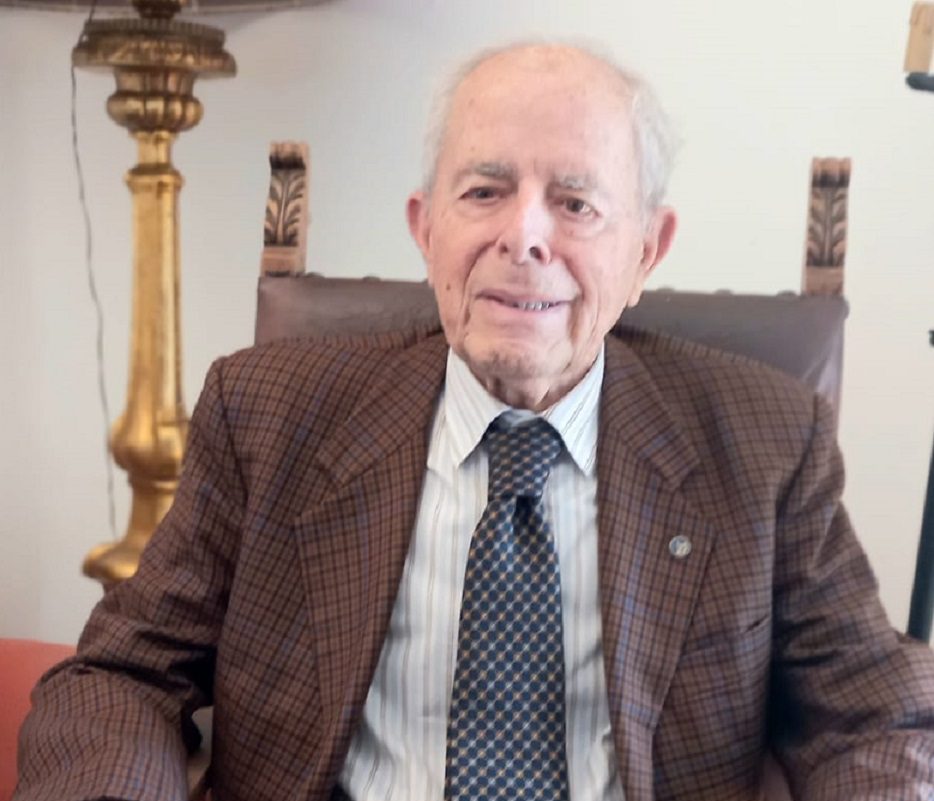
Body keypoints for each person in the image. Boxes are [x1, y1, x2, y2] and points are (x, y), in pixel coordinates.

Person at [15, 42, 934, 801]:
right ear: (426, 230)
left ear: (646, 251)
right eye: (485, 191)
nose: (523, 236)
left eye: (575, 202)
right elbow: (121, 676)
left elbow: (876, 718)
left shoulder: (767, 442)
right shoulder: (265, 414)